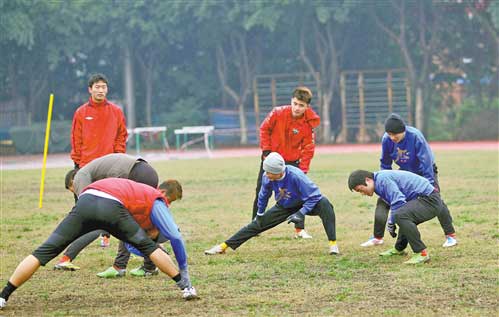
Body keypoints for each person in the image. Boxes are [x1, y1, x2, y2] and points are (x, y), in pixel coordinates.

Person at [0, 178, 197, 310]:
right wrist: (181, 267)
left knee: (43, 251)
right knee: (149, 247)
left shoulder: (134, 188)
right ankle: (185, 287)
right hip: (112, 206)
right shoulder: (157, 199)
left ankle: (3, 295)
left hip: (86, 200)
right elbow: (171, 235)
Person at [205, 152, 338, 256]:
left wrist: (301, 213)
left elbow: (315, 196)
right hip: (285, 206)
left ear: (278, 172)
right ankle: (223, 246)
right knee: (256, 225)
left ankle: (333, 244)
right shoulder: (267, 177)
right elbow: (263, 196)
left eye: (269, 172)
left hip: (305, 203)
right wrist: (260, 214)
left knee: (325, 204)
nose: (266, 174)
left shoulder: (296, 176)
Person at [360, 113, 457, 248]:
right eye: (390, 134)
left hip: (424, 171)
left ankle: (450, 236)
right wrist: (384, 184)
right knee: (382, 200)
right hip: (405, 172)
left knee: (435, 199)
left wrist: (429, 183)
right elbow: (385, 163)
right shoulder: (386, 140)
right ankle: (377, 237)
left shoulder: (415, 136)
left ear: (403, 131)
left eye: (396, 135)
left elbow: (426, 161)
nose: (393, 138)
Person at [54, 153, 159, 271]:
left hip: (134, 174)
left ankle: (120, 266)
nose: (75, 192)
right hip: (147, 172)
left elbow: (87, 210)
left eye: (72, 189)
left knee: (120, 223)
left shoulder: (80, 176)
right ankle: (150, 265)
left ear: (73, 180)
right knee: (136, 222)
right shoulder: (97, 174)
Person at [252, 86, 320, 240]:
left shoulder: (308, 124)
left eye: (301, 105)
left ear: (307, 107)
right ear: (291, 101)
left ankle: (299, 229)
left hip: (292, 164)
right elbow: (264, 129)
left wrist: (302, 170)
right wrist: (266, 152)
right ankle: (255, 225)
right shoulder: (277, 113)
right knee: (262, 192)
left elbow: (308, 148)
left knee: (299, 196)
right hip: (271, 160)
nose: (297, 108)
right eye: (295, 103)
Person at [70, 73, 128, 248]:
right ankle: (81, 234)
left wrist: (118, 155)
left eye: (103, 87)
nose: (101, 90)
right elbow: (76, 138)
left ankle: (106, 235)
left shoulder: (116, 111)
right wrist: (77, 162)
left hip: (109, 164)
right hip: (86, 164)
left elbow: (121, 135)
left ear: (107, 90)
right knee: (83, 200)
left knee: (109, 200)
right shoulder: (81, 112)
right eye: (97, 87)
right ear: (90, 89)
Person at [349, 169, 445, 264]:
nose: (362, 193)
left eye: (360, 189)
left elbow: (398, 201)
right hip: (425, 199)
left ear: (367, 180)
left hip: (430, 201)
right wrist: (392, 220)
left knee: (401, 215)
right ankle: (399, 249)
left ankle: (422, 254)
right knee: (402, 214)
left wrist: (391, 221)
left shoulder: (382, 180)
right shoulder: (379, 181)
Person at [97, 179, 183, 278]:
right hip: (155, 229)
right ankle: (148, 264)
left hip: (160, 231)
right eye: (170, 200)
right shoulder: (151, 198)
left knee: (133, 243)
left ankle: (150, 263)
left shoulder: (157, 203)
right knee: (130, 239)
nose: (169, 204)